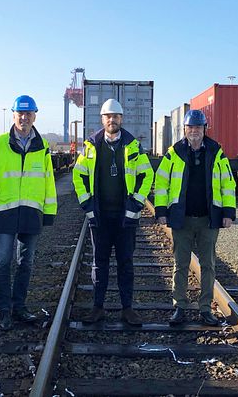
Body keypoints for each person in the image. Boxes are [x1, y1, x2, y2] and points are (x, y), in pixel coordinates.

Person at [0, 95, 57, 331]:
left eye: (28, 113)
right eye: (20, 113)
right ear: (13, 115)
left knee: (26, 263)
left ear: (34, 116)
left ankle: (19, 306)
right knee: (2, 262)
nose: (24, 117)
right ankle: (4, 310)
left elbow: (49, 181)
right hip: (5, 213)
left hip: (31, 213)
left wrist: (49, 212)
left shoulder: (42, 147)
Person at [72, 98, 154, 325]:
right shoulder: (91, 147)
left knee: (126, 262)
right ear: (102, 119)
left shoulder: (133, 146)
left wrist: (136, 203)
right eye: (108, 116)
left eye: (115, 116)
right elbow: (78, 176)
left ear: (121, 119)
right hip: (99, 217)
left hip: (124, 218)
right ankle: (97, 308)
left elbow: (146, 175)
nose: (112, 120)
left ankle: (127, 309)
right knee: (100, 263)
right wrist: (87, 204)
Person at [154, 110, 236, 326]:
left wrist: (228, 213)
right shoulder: (174, 153)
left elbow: (228, 183)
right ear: (185, 130)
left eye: (198, 128)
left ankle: (205, 308)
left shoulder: (216, 152)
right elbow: (161, 183)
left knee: (208, 265)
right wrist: (162, 211)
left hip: (208, 219)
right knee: (180, 264)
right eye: (191, 128)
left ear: (204, 129)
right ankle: (179, 307)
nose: (194, 132)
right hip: (183, 218)